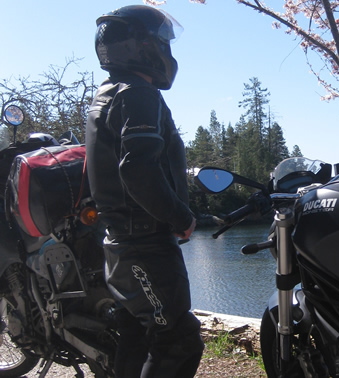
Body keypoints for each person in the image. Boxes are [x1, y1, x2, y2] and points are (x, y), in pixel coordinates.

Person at [85, 5, 204, 377]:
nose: (166, 48)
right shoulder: (138, 95)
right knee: (178, 339)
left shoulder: (108, 93)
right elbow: (137, 169)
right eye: (162, 40)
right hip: (145, 242)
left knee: (136, 333)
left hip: (120, 240)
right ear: (142, 46)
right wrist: (180, 216)